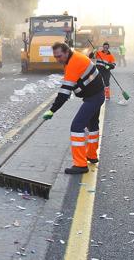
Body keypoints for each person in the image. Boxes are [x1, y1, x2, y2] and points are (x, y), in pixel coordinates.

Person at [42, 42, 105, 174]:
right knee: (93, 125)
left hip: (94, 97)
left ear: (66, 52)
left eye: (59, 56)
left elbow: (64, 93)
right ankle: (91, 155)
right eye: (55, 57)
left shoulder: (73, 63)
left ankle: (80, 164)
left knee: (76, 127)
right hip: (96, 94)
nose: (58, 59)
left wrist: (52, 110)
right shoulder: (73, 56)